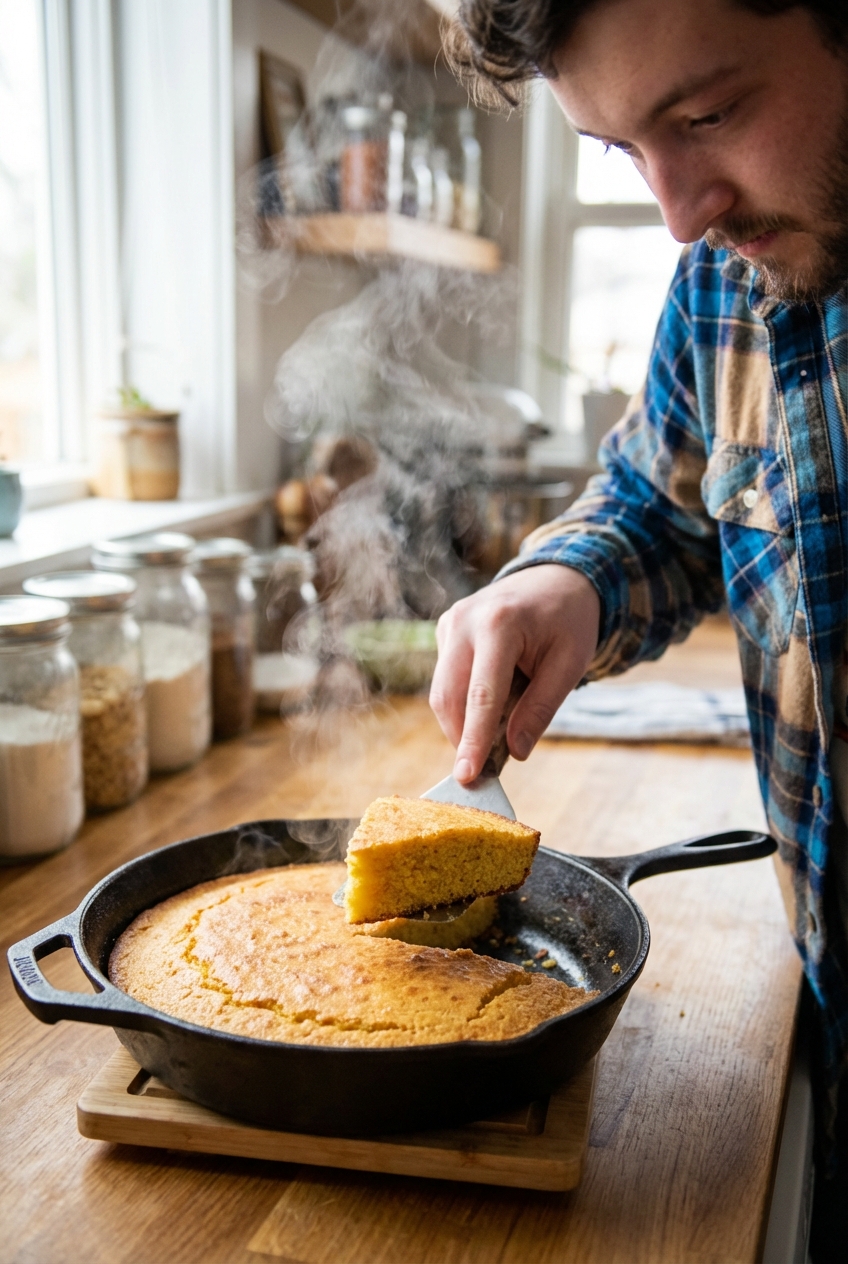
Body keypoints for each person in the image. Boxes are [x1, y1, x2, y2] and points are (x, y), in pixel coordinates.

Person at [431, 0, 847, 1243]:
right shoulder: (724, 282)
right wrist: (564, 581)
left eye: (707, 115)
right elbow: (661, 506)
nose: (677, 212)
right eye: (618, 150)